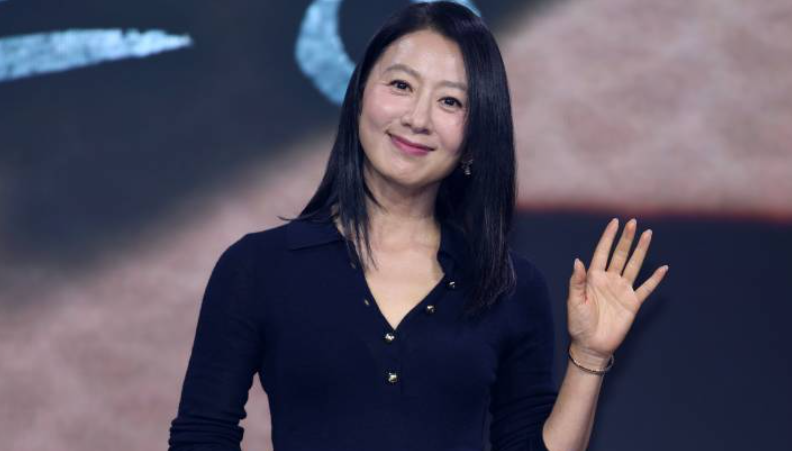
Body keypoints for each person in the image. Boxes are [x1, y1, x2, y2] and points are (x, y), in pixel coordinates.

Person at [167, 2, 669, 451]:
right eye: (401, 86)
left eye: (451, 102)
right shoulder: (259, 266)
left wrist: (589, 355)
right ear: (359, 95)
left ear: (475, 138)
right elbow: (201, 437)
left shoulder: (510, 286)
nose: (418, 118)